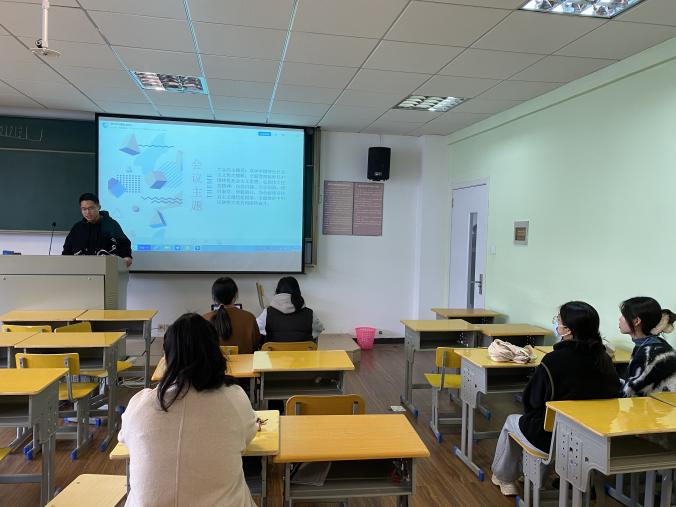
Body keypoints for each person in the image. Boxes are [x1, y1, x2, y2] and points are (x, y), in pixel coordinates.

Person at [118, 313, 258, 507]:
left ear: (167, 358)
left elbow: (124, 438)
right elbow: (248, 437)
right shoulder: (235, 398)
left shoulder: (140, 404)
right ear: (215, 354)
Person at [490, 301, 620, 496]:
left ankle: (505, 478)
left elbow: (532, 401)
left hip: (553, 439)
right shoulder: (604, 359)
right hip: (592, 440)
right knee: (549, 420)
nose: (556, 323)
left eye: (558, 320)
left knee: (514, 421)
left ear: (567, 330)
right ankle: (536, 475)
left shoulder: (553, 360)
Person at [619, 296, 676, 397]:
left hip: (661, 406)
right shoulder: (652, 344)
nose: (620, 319)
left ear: (636, 321)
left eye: (623, 315)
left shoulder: (650, 353)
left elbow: (628, 394)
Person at [62, 192, 133, 267]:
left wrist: (127, 256)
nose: (87, 212)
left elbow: (124, 244)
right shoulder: (77, 228)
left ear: (99, 207)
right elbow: (67, 250)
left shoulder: (111, 225)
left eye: (91, 208)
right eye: (84, 209)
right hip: (81, 268)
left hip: (106, 268)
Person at [256, 276, 324, 342]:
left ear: (277, 292)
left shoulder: (267, 313)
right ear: (298, 291)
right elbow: (319, 329)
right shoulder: (309, 313)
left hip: (274, 350)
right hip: (302, 350)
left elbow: (255, 328)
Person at [203, 277, 261, 354]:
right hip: (245, 362)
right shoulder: (249, 318)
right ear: (235, 295)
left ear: (214, 297)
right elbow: (256, 346)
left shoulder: (204, 319)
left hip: (215, 362)